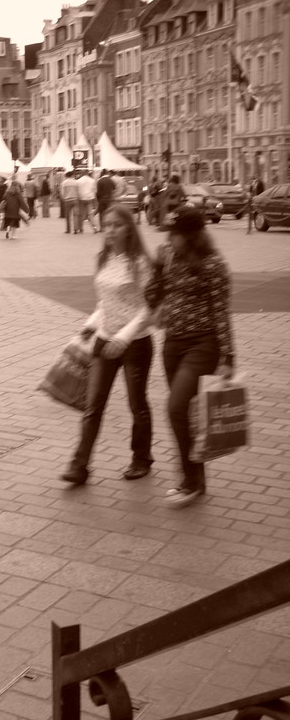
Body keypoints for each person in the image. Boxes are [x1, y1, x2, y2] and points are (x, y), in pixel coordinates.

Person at [144, 206, 235, 508]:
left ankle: (190, 480)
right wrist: (156, 269)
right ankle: (196, 477)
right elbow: (152, 297)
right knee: (185, 415)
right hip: (172, 344)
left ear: (192, 236)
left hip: (203, 345)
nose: (170, 239)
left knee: (176, 407)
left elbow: (221, 312)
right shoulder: (169, 259)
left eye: (175, 234)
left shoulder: (213, 265)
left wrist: (228, 357)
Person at [61, 205, 154, 486]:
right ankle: (80, 465)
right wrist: (91, 326)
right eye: (107, 224)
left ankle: (142, 457)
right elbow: (105, 301)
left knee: (136, 404)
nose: (110, 230)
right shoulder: (104, 258)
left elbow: (149, 307)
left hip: (135, 344)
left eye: (117, 225)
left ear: (130, 228)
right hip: (104, 340)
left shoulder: (140, 263)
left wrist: (123, 338)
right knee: (93, 405)